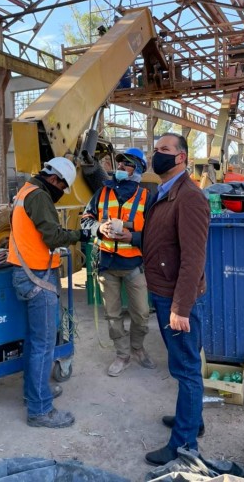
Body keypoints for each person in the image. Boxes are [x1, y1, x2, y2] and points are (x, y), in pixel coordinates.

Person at [139, 133, 210, 467]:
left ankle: (184, 443)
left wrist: (181, 307)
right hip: (163, 290)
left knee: (186, 369)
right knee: (183, 364)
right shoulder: (163, 192)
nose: (157, 155)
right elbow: (159, 239)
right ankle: (192, 420)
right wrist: (129, 235)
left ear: (181, 157)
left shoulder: (190, 197)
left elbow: (194, 259)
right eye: (156, 149)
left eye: (164, 150)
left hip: (176, 298)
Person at [7, 157, 91, 428]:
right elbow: (53, 237)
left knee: (35, 342)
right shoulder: (39, 196)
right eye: (63, 187)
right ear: (55, 179)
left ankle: (34, 393)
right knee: (43, 345)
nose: (61, 192)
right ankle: (40, 409)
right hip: (37, 278)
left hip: (28, 274)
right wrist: (80, 235)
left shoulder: (25, 191)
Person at [81, 147, 155, 377]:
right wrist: (98, 227)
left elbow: (156, 232)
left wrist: (133, 237)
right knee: (113, 317)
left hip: (134, 265)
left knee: (141, 314)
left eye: (127, 163)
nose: (121, 166)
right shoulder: (102, 192)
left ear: (138, 169)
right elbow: (85, 220)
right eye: (120, 162)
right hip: (107, 265)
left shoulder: (146, 197)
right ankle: (123, 355)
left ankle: (137, 348)